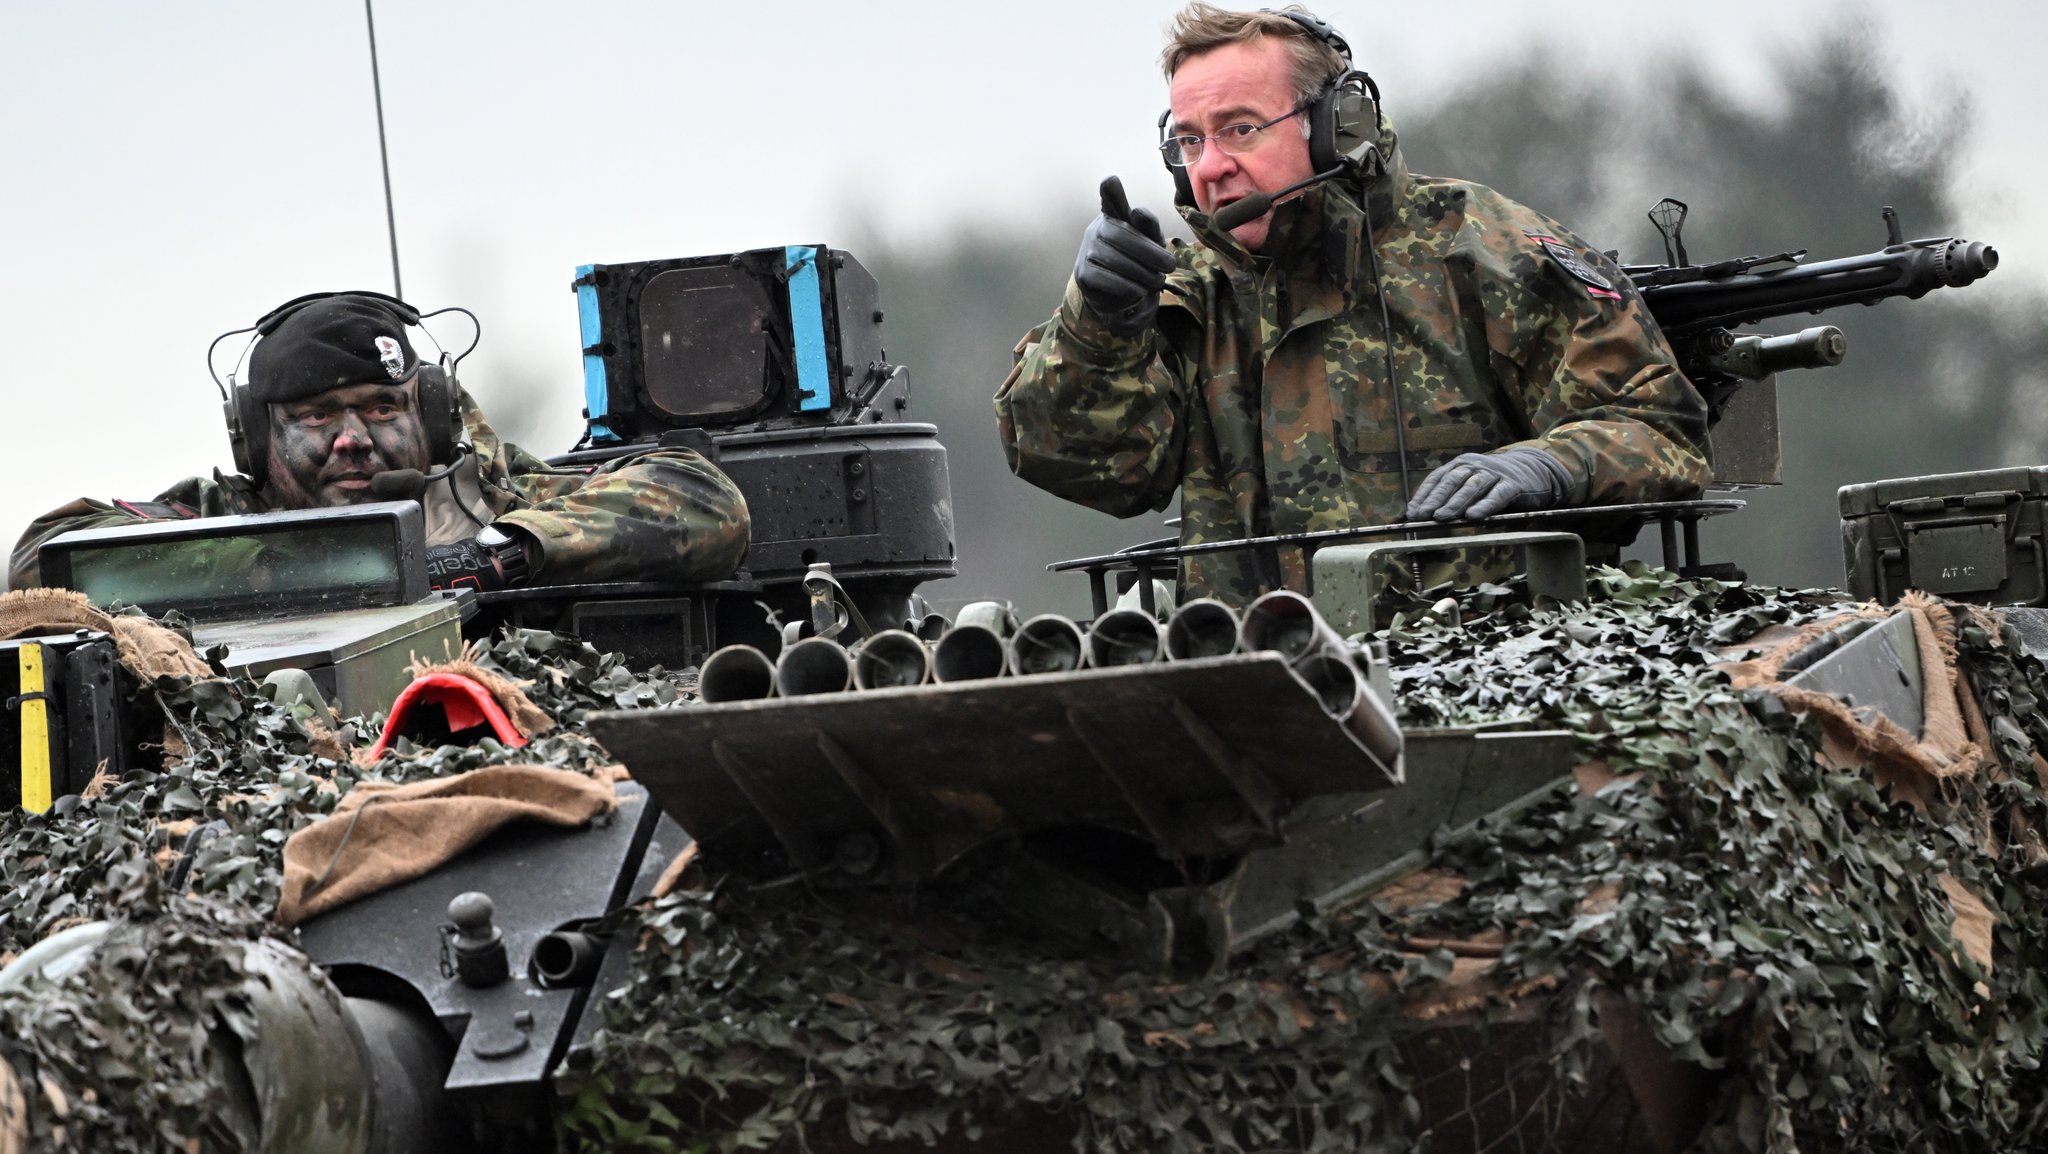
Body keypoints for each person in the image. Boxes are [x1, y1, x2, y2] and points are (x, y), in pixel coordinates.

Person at [995, 3, 1711, 603]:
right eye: (1189, 140)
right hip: (1267, 704)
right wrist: (1099, 325)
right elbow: (1086, 462)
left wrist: (1548, 466)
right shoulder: (1191, 297)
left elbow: (1661, 429)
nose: (1210, 167)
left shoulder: (1482, 250)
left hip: (1492, 686)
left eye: (1240, 129)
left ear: (1338, 124)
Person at [9, 293, 750, 591]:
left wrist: (497, 553)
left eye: (381, 407)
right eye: (316, 417)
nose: (353, 440)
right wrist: (289, 563)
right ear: (255, 440)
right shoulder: (208, 519)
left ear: (428, 413)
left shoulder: (496, 498)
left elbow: (705, 498)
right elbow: (44, 560)